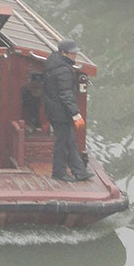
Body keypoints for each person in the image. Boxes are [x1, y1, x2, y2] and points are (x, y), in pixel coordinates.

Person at [44, 39, 94, 181]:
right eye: (72, 53)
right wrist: (75, 113)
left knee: (69, 141)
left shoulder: (53, 61)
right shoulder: (63, 71)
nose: (75, 56)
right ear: (64, 53)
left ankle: (79, 171)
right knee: (62, 143)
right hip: (61, 113)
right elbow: (66, 94)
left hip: (54, 109)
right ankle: (58, 173)